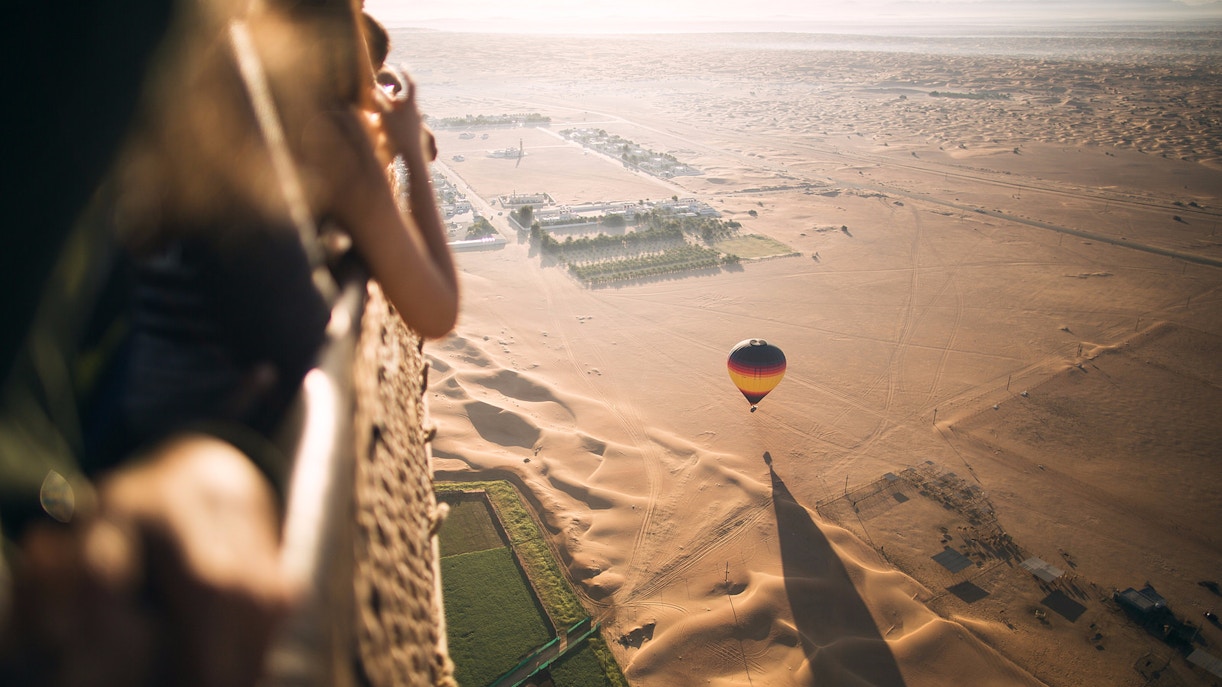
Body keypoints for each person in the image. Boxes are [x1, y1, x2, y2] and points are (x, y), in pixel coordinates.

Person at [0, 0, 458, 684]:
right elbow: (437, 305)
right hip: (186, 507)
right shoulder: (322, 142)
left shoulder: (183, 89)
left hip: (108, 435)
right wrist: (407, 153)